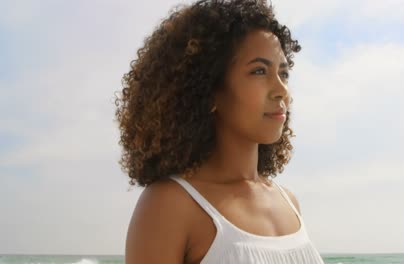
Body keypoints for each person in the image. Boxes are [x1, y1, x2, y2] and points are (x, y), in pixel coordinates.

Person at [114, 0, 325, 263]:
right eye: (259, 71)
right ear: (210, 90)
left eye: (283, 72)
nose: (281, 89)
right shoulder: (170, 204)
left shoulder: (289, 202)